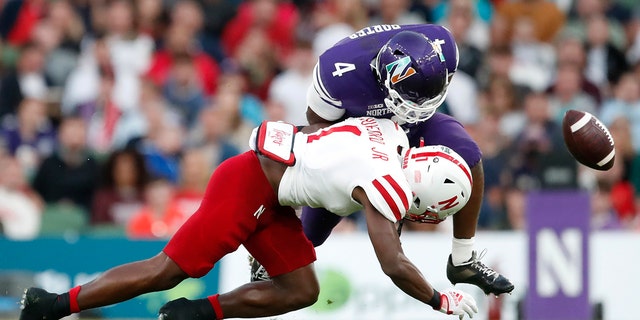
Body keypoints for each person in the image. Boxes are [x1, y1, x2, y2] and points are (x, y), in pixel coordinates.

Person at [20, 117, 478, 320]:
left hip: (277, 191)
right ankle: (53, 305)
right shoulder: (388, 182)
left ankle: (196, 313)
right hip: (250, 184)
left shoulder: (393, 132)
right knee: (167, 270)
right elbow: (393, 262)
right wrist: (441, 300)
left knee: (303, 289)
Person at [299, 24, 514, 295]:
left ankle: (463, 259)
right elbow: (318, 126)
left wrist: (409, 116)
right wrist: (367, 157)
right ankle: (271, 260)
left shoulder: (442, 45)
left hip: (410, 124)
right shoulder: (338, 71)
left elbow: (420, 108)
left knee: (469, 157)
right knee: (309, 234)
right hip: (355, 136)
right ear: (384, 81)